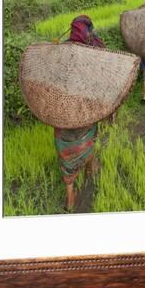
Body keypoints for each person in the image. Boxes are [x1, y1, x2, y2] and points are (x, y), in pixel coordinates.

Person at [53, 15, 104, 210]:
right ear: (88, 30)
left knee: (65, 150)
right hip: (86, 110)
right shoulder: (95, 49)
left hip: (62, 111)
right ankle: (90, 167)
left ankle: (70, 195)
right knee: (88, 138)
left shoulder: (60, 52)